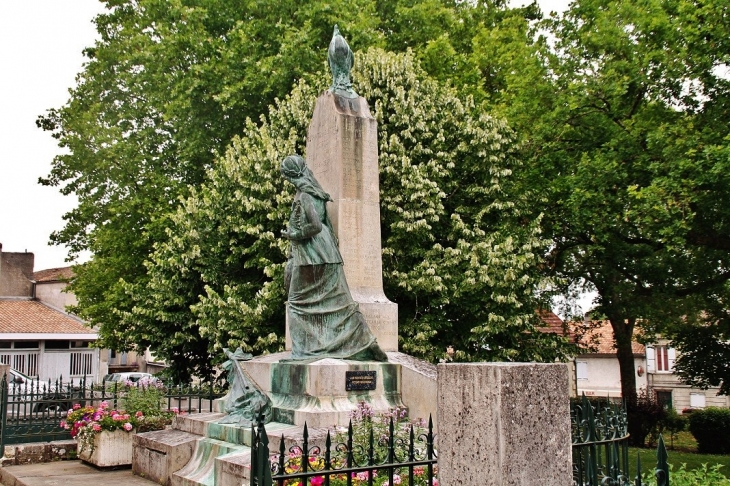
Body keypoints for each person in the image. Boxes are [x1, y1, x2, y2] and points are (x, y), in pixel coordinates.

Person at [280, 154, 387, 361]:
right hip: (328, 254)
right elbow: (326, 225)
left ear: (291, 176)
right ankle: (367, 342)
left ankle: (304, 352)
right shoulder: (317, 191)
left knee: (295, 304)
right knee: (342, 303)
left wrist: (293, 235)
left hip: (311, 256)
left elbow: (315, 226)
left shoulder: (304, 195)